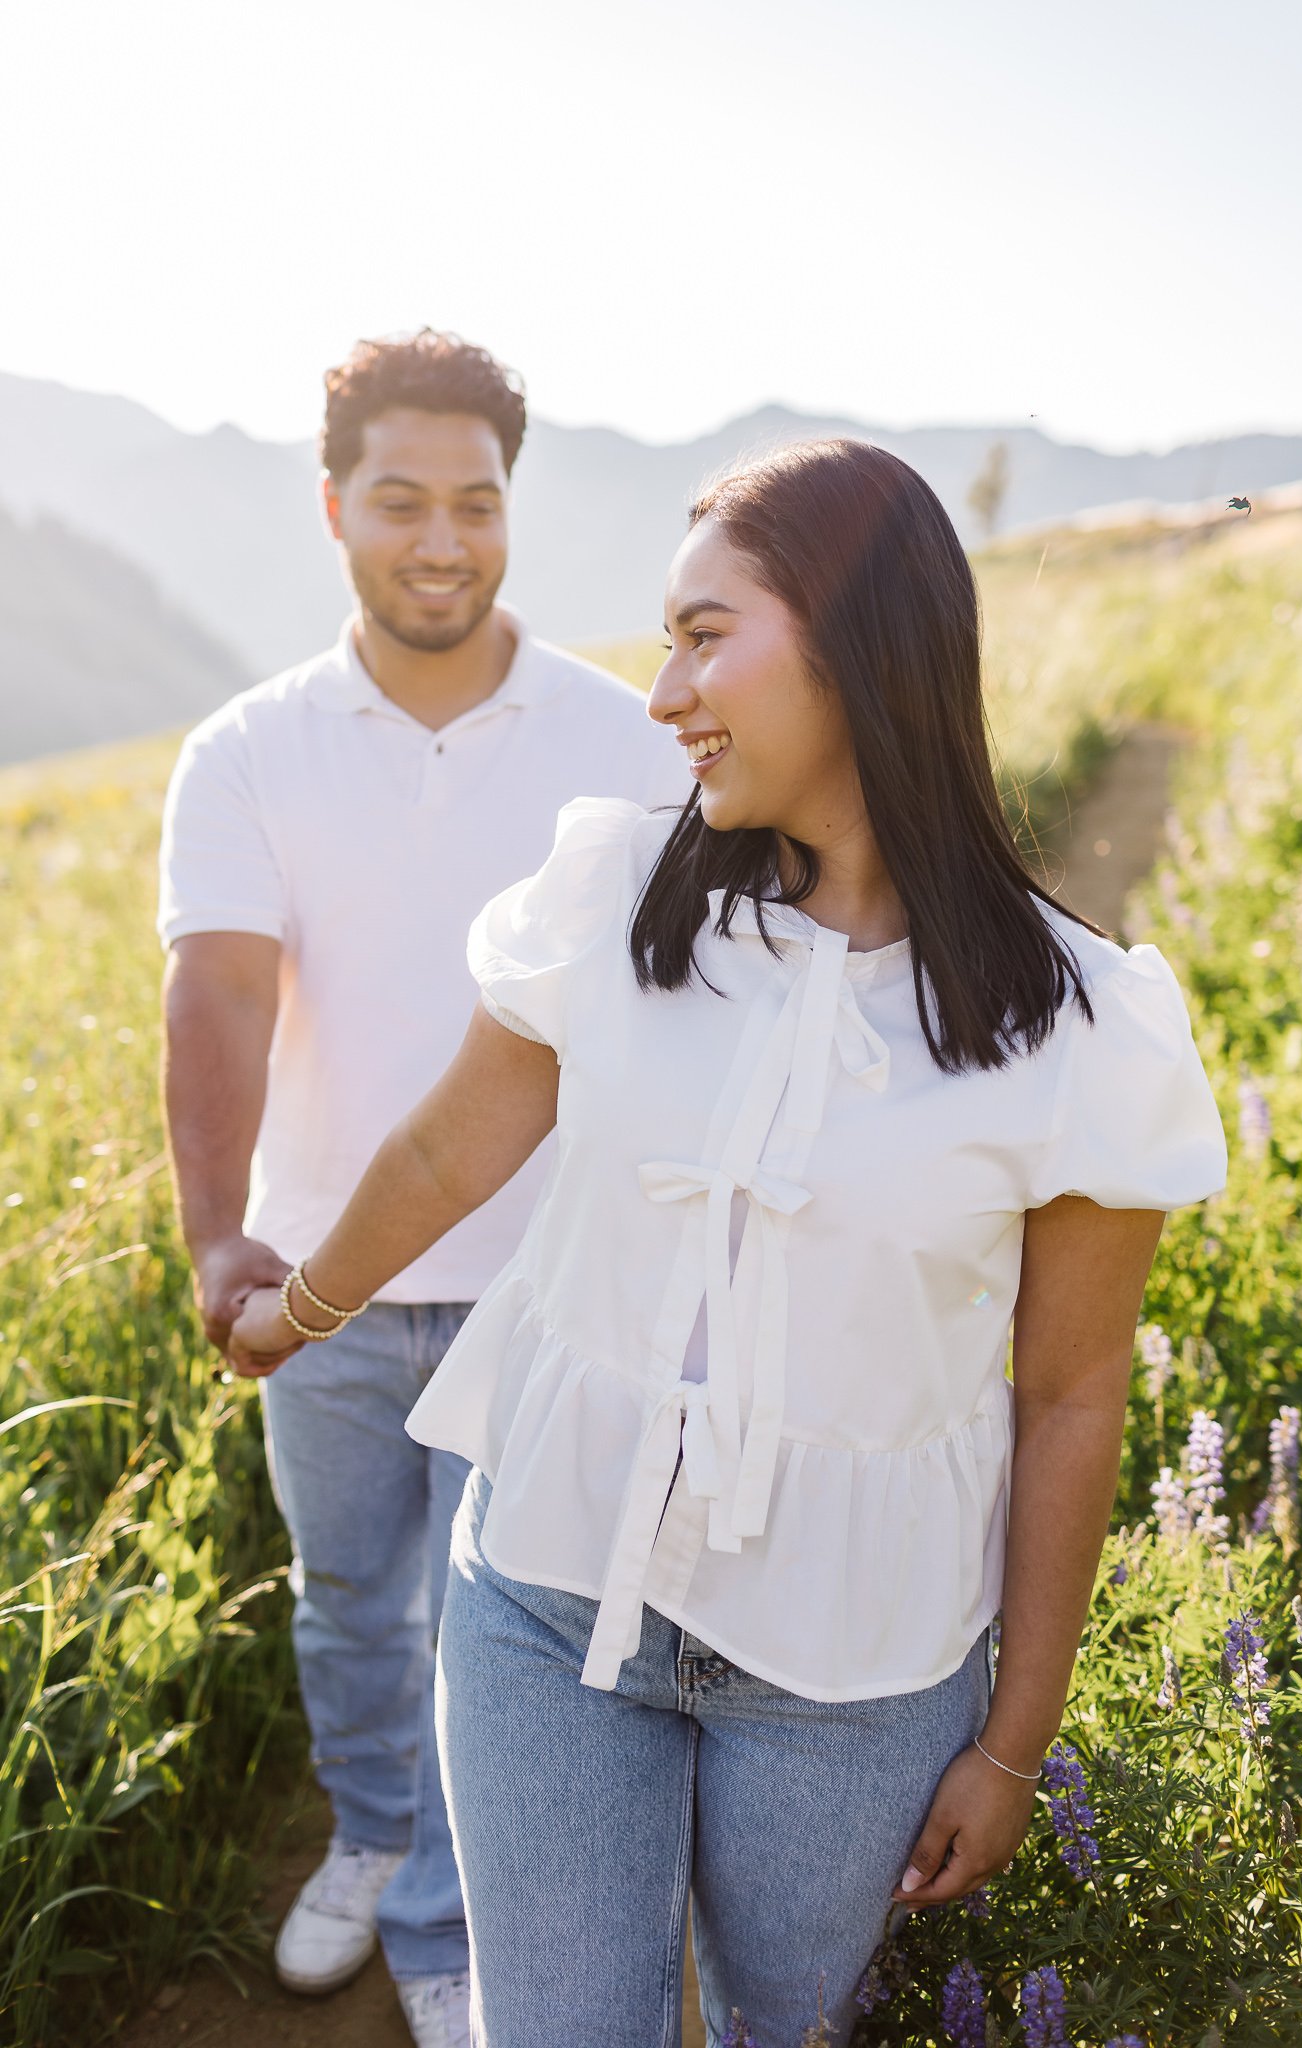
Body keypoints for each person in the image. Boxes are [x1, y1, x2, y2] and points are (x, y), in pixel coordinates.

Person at [227, 438, 1228, 2047]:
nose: (661, 689)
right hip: (545, 1591)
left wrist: (1012, 1741)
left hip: (852, 1672)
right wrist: (302, 1308)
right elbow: (446, 1142)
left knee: (786, 2028)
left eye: (704, 635)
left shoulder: (1083, 1026)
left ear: (852, 643)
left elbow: (1070, 1395)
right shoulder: (616, 892)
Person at [158, 329, 682, 2048]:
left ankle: (451, 1915)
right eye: (402, 501)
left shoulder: (625, 741)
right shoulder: (247, 748)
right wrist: (217, 1231)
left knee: (501, 1632)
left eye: (477, 501)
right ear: (334, 509)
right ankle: (372, 1842)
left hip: (551, 1288)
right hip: (321, 1283)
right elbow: (222, 993)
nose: (442, 538)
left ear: (511, 508)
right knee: (349, 1601)